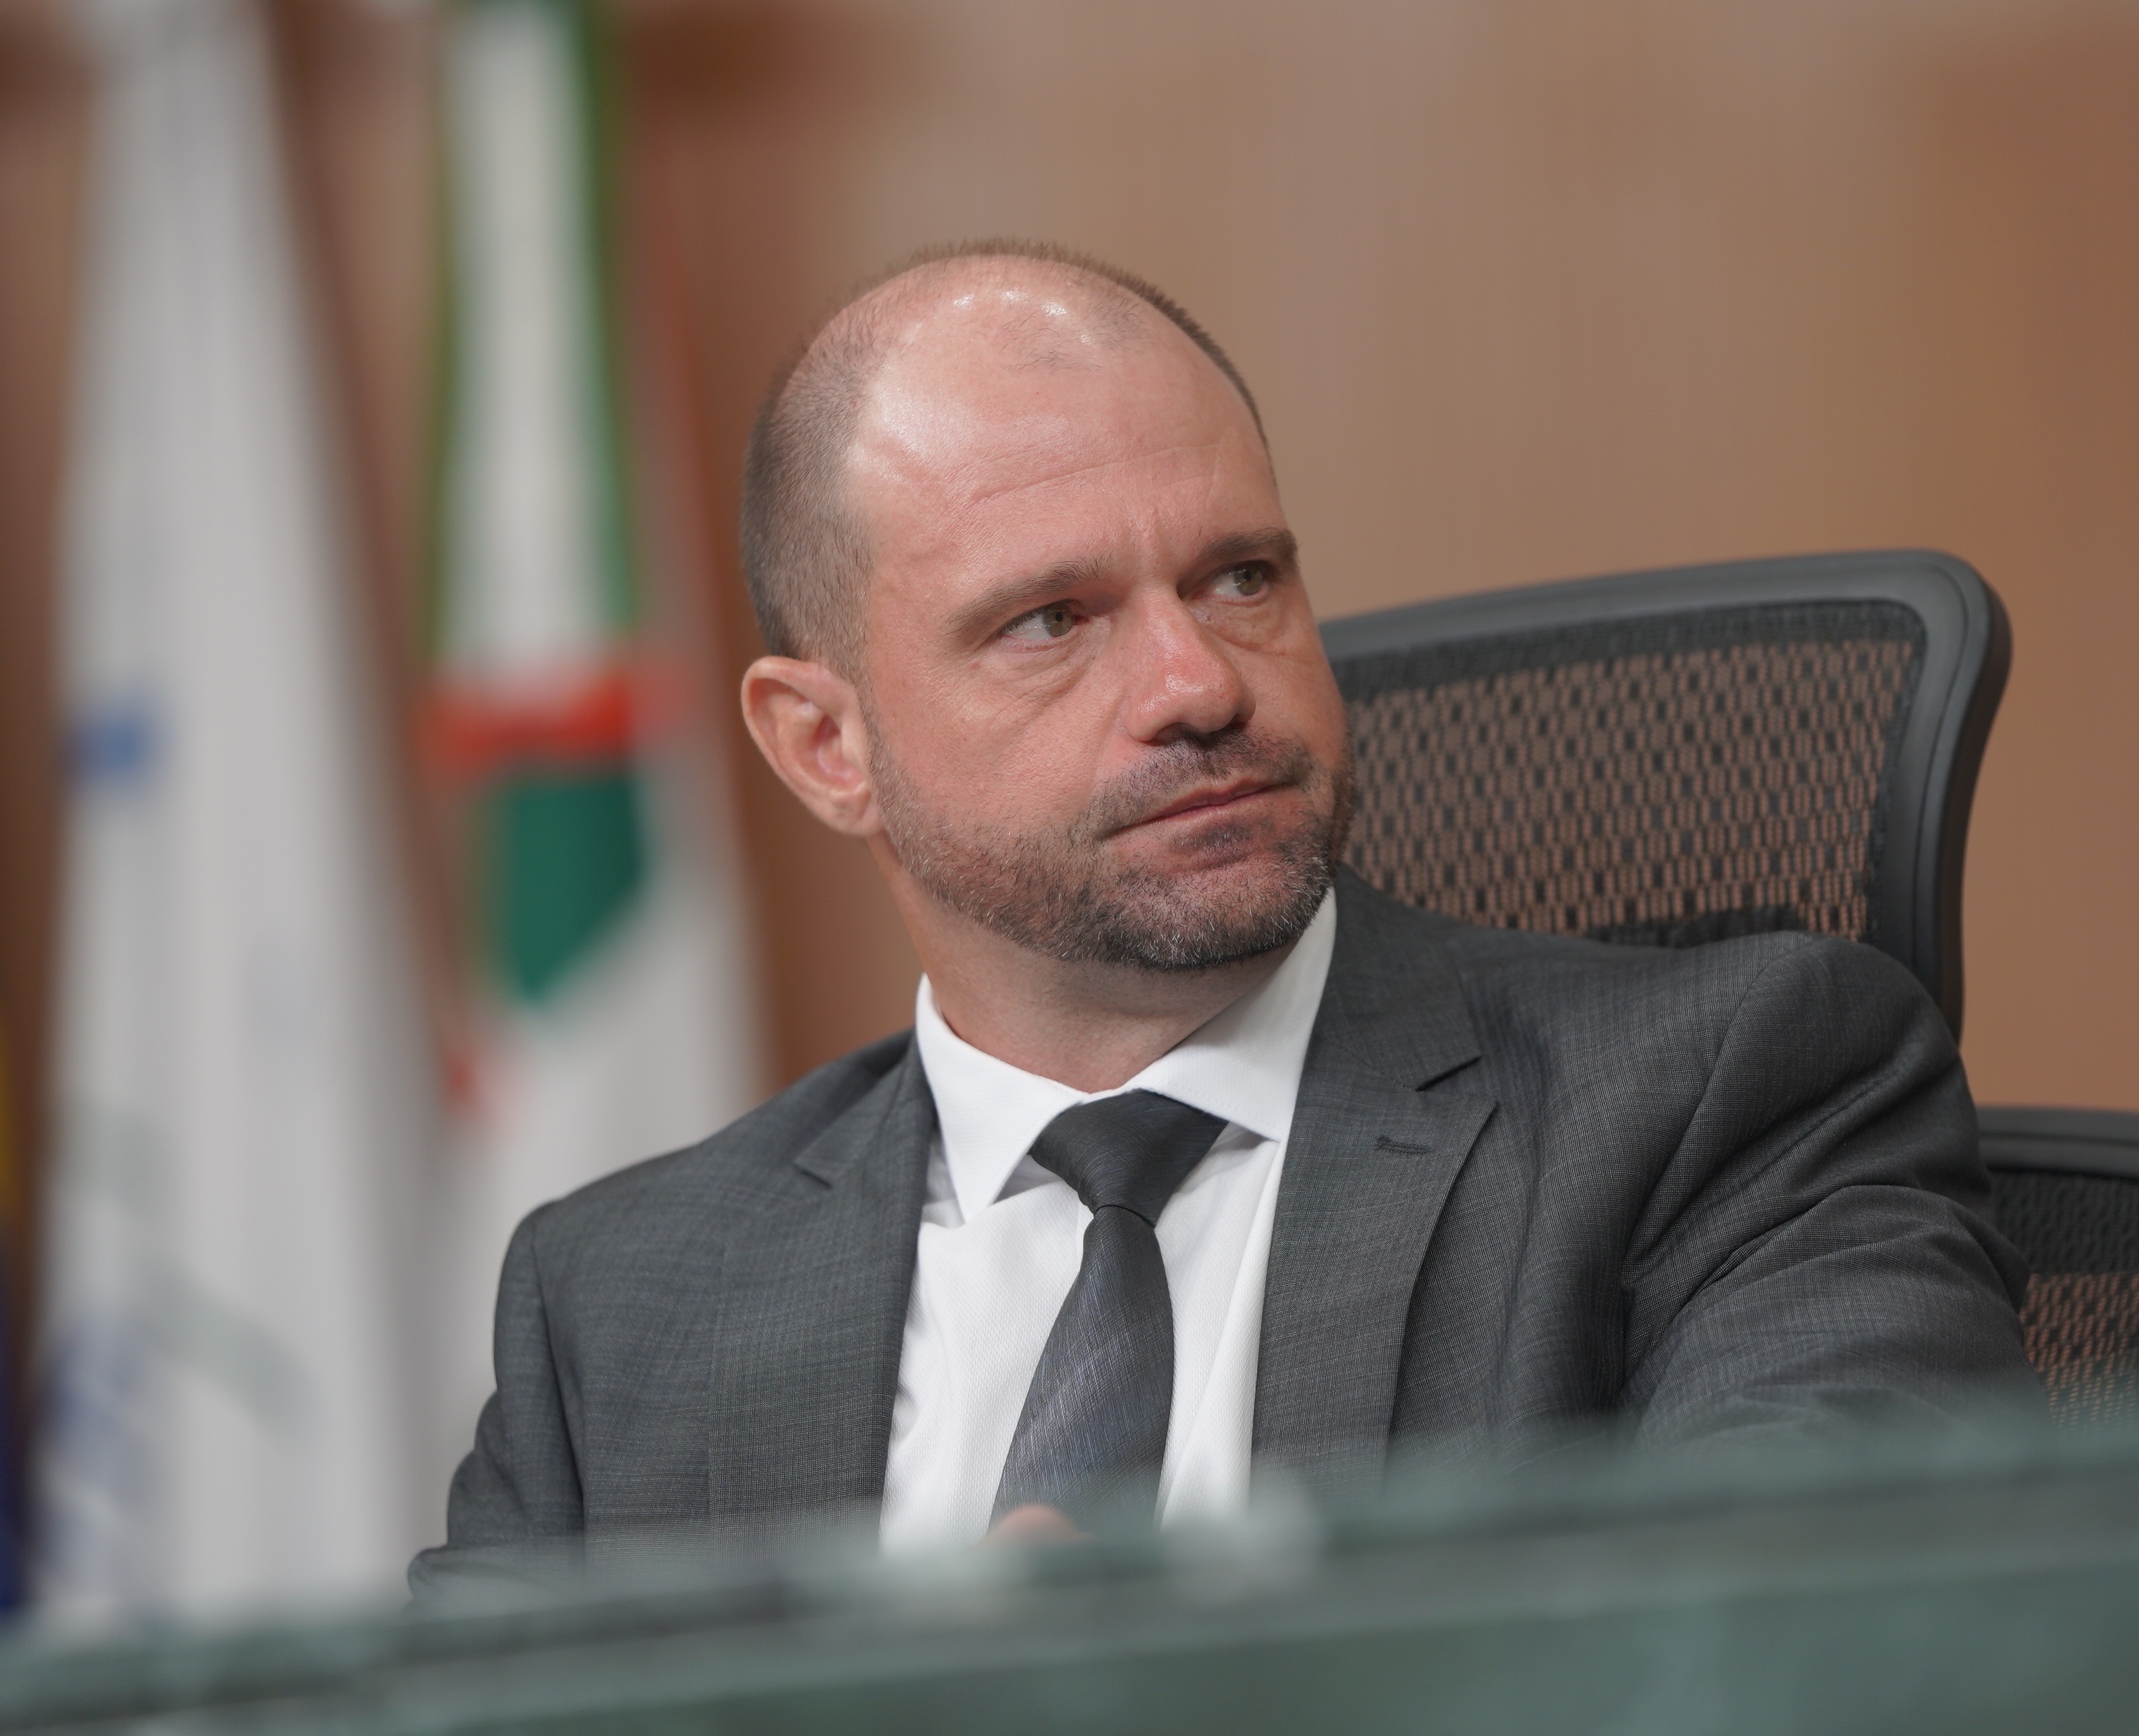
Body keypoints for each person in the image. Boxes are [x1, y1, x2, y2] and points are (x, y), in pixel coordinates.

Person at [412, 240, 2036, 1591]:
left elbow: (1808, 1647)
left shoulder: (1731, 1096)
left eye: (1241, 578)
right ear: (828, 747)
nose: (1197, 684)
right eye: (1052, 620)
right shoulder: (624, 1297)